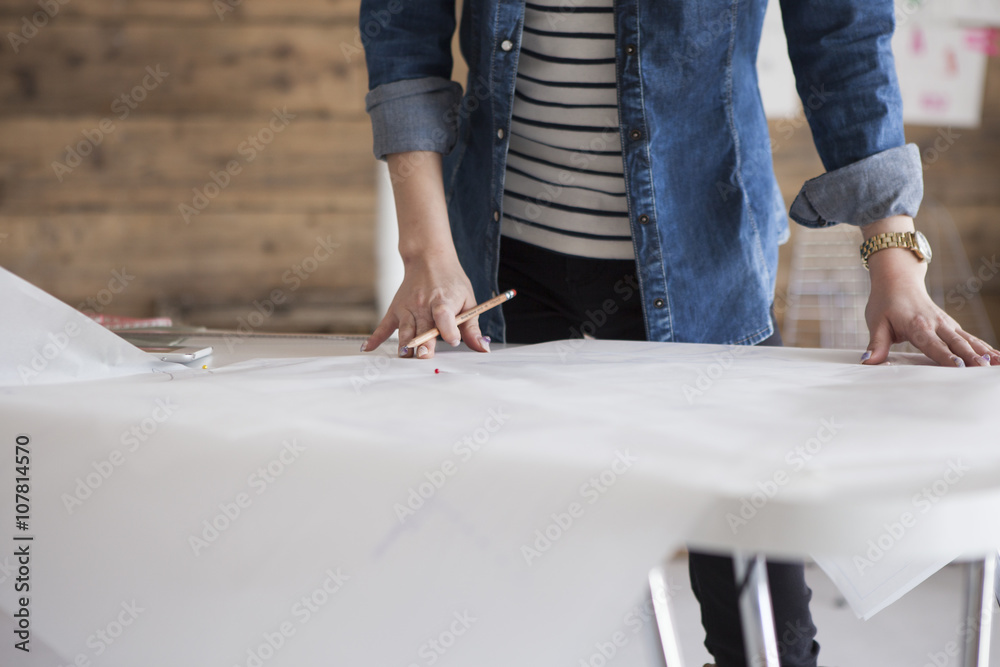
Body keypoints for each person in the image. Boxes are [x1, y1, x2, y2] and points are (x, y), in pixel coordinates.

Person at [358, 0, 1000, 664]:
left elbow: (843, 30)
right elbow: (402, 22)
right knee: (510, 615)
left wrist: (893, 258)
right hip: (503, 281)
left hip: (707, 281)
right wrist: (424, 250)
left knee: (764, 637)